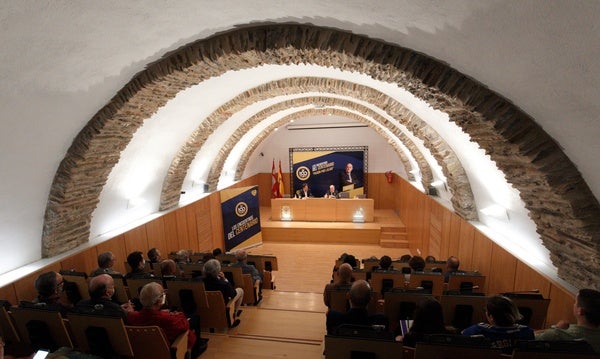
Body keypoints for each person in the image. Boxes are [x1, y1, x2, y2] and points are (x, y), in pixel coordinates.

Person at [127, 282, 203, 357]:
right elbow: (185, 325)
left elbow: (140, 315)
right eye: (163, 294)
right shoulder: (167, 319)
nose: (164, 296)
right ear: (158, 301)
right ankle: (195, 351)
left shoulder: (132, 316)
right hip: (171, 348)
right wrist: (178, 314)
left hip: (146, 351)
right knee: (195, 318)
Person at [462, 294, 534, 354]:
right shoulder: (526, 332)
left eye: (486, 311)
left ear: (491, 317)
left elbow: (463, 335)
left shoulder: (477, 331)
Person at [535, 288, 600, 353]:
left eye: (575, 302)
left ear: (580, 311)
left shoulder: (556, 335)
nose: (574, 305)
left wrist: (556, 329)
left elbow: (528, 339)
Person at [202, 259, 243, 328]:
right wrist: (225, 279)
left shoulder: (199, 281)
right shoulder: (223, 284)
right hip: (223, 305)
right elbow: (233, 294)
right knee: (240, 290)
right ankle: (233, 316)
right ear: (218, 271)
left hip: (206, 305)